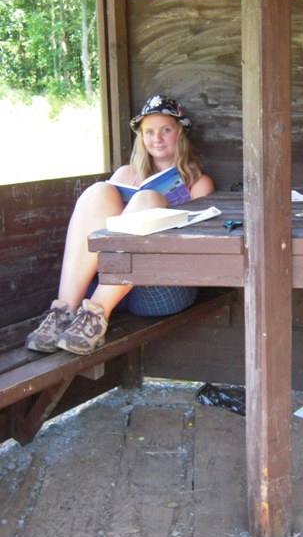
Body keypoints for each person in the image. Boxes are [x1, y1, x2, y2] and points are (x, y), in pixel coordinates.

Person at [26, 94, 214, 356]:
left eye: (166, 130)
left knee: (148, 198)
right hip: (106, 286)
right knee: (98, 191)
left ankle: (95, 316)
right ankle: (64, 311)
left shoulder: (198, 182)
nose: (157, 138)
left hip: (159, 289)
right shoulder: (125, 174)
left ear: (180, 133)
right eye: (149, 132)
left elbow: (198, 250)